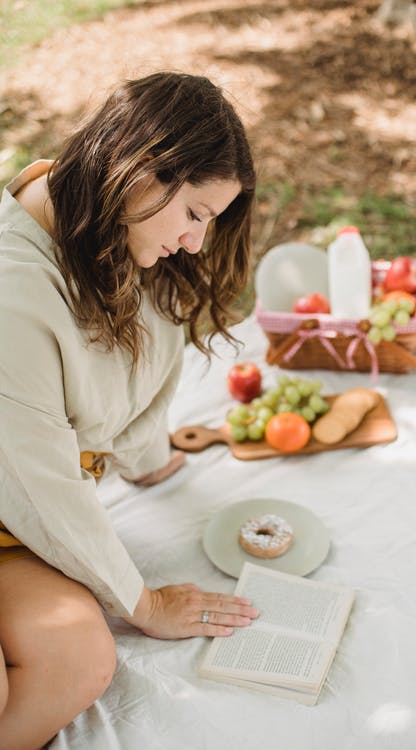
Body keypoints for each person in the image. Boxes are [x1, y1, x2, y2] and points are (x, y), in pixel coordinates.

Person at [0, 71, 259, 750]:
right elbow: (37, 481)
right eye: (197, 213)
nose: (199, 241)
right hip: (20, 496)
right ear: (142, 170)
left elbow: (142, 364)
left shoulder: (111, 231)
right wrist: (142, 603)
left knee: (78, 661)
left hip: (15, 526)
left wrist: (151, 459)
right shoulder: (12, 291)